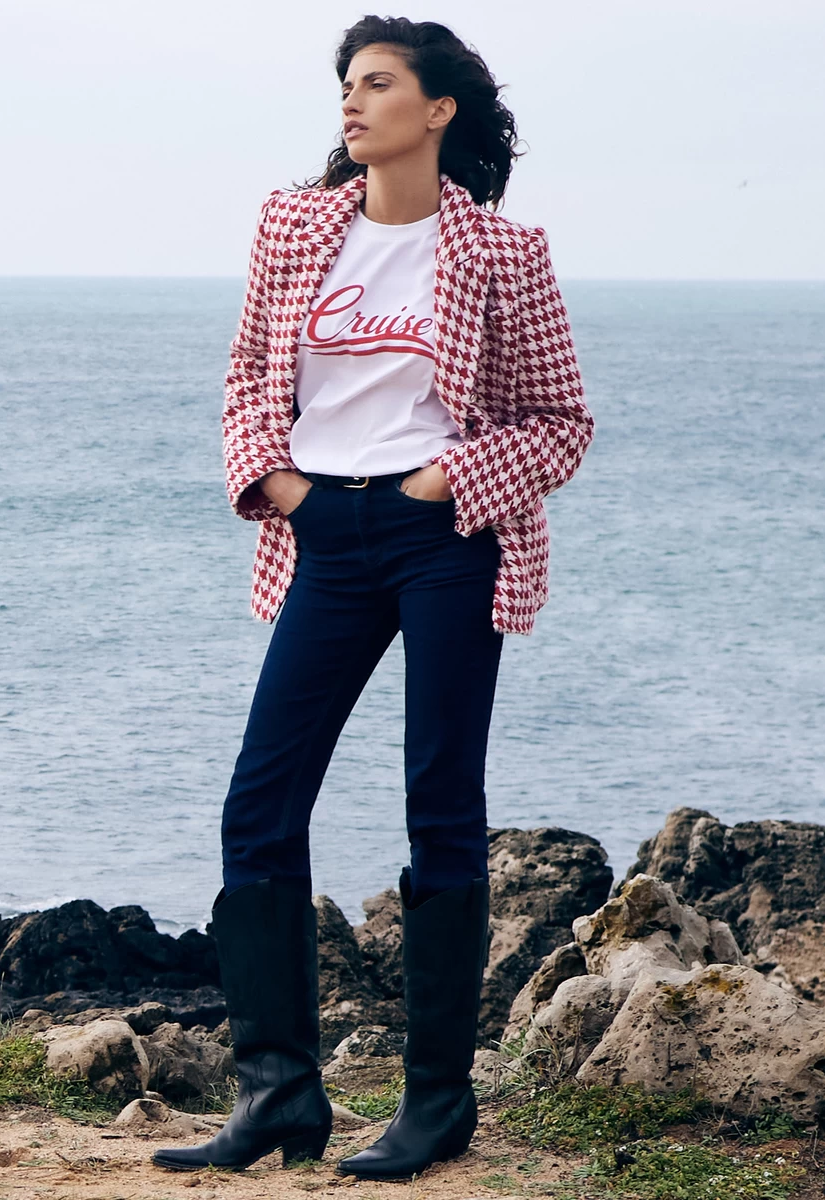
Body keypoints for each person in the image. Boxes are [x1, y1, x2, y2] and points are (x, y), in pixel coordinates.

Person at [152, 14, 594, 1184]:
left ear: (437, 109)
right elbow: (249, 377)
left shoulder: (505, 252)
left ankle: (436, 1104)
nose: (351, 102)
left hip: (446, 537)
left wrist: (448, 478)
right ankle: (277, 1092)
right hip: (324, 535)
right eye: (347, 84)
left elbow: (561, 423)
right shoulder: (295, 225)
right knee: (260, 803)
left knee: (439, 803)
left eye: (378, 83)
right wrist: (282, 486)